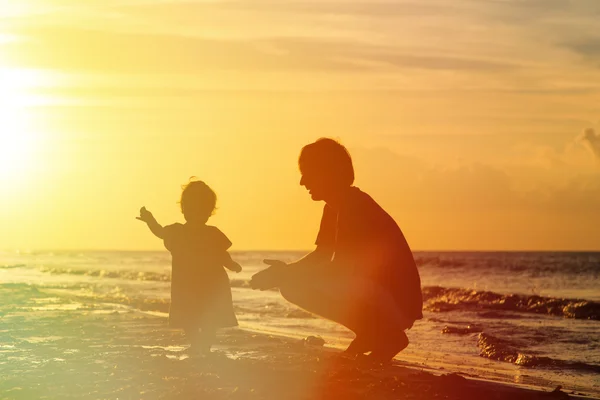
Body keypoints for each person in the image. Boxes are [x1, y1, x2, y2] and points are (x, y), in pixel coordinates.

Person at [250, 138, 422, 363]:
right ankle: (370, 334)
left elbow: (338, 268)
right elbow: (322, 255)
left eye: (308, 173)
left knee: (296, 284)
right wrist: (285, 271)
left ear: (328, 173)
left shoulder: (353, 205)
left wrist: (285, 274)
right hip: (384, 296)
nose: (302, 182)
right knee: (291, 284)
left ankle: (388, 336)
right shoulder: (335, 206)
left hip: (397, 302)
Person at [137, 179, 241, 354]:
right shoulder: (179, 232)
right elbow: (160, 231)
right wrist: (150, 220)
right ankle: (198, 345)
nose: (199, 213)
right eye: (194, 208)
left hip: (206, 285)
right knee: (192, 318)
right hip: (199, 285)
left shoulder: (204, 233)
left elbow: (222, 254)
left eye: (203, 209)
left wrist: (231, 264)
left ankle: (203, 346)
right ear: (184, 208)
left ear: (209, 211)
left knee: (204, 318)